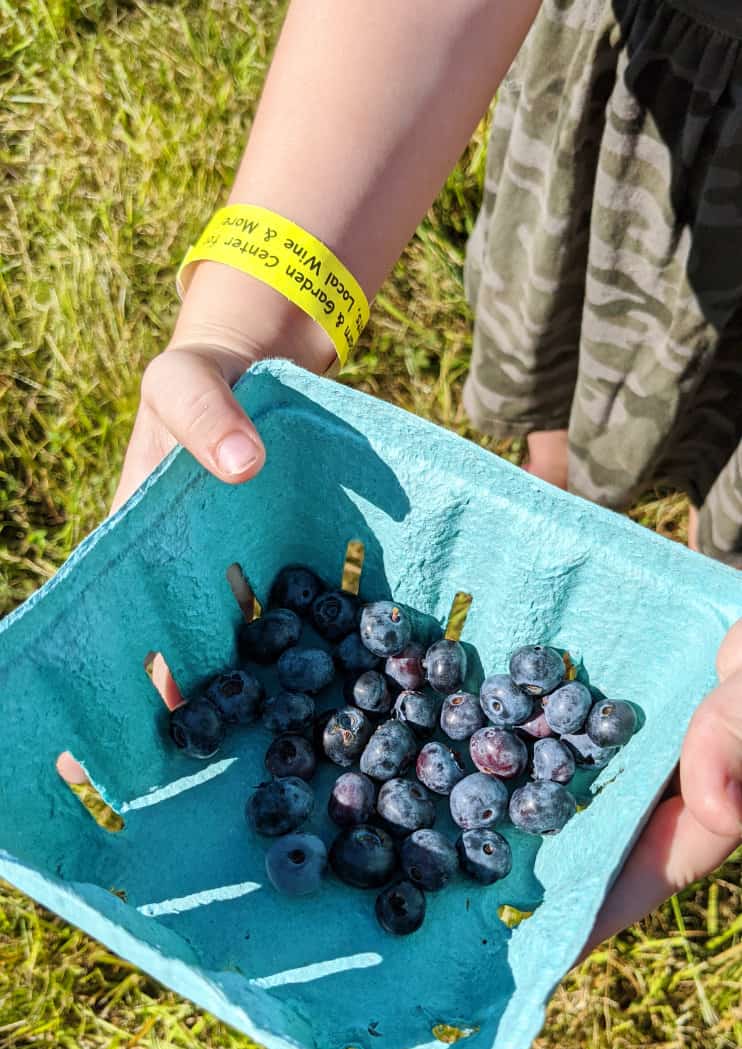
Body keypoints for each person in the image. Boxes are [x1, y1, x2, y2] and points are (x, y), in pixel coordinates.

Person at [110, 0, 741, 957]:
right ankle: (561, 491)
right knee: (570, 392)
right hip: (648, 113)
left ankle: (706, 576)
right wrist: (244, 325)